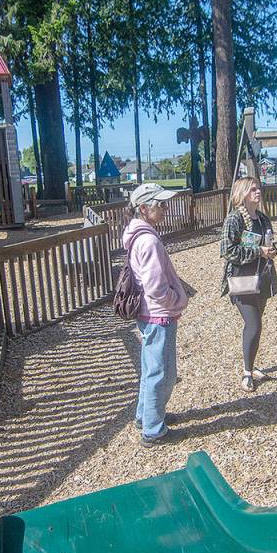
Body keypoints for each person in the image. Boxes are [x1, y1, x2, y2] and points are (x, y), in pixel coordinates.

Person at [122, 183, 190, 447]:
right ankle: (153, 429)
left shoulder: (138, 235)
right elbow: (156, 288)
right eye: (160, 204)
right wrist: (175, 301)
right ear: (143, 208)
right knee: (162, 373)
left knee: (152, 368)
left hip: (149, 313)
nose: (164, 208)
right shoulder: (148, 240)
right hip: (158, 314)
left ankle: (146, 415)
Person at [220, 177, 277, 392]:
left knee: (255, 326)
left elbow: (270, 244)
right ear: (242, 193)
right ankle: (247, 373)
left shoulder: (263, 219)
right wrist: (258, 251)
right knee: (254, 324)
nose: (258, 192)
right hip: (241, 280)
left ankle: (251, 366)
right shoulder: (234, 219)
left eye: (258, 188)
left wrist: (272, 250)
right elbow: (227, 251)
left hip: (262, 279)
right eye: (252, 189)